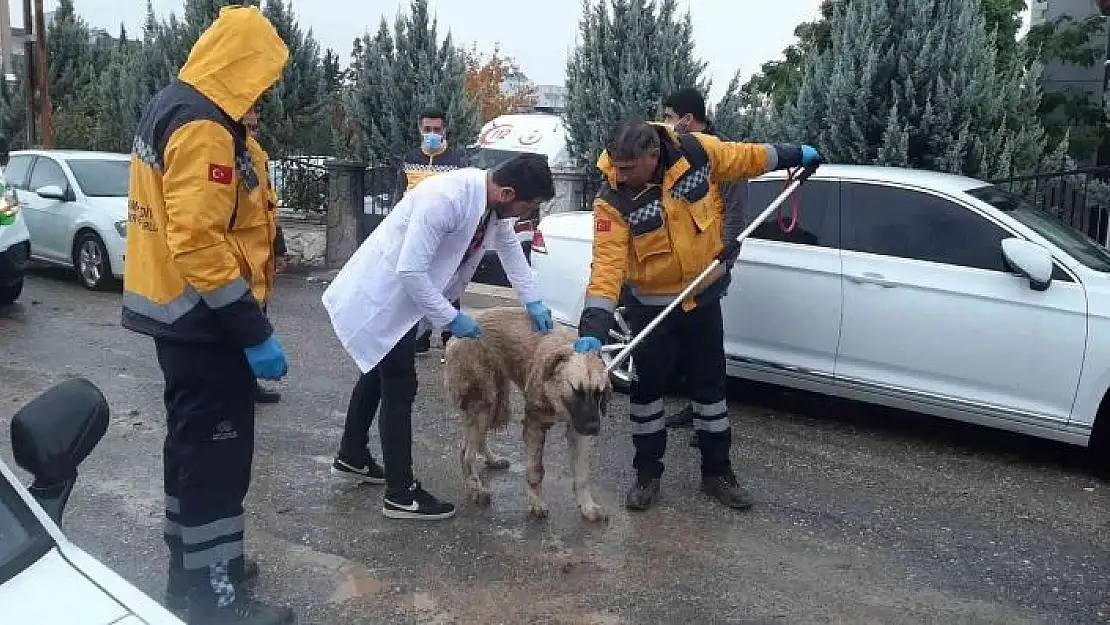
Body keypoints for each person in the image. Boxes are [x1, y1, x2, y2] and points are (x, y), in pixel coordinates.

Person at [122, 6, 292, 624]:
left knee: (192, 456)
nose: (265, 91)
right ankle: (215, 598)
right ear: (242, 65)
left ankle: (193, 569)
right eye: (263, 77)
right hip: (208, 327)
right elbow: (196, 240)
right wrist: (253, 330)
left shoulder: (177, 106)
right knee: (217, 467)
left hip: (186, 324)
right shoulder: (201, 127)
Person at [573, 118, 819, 512]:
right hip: (650, 307)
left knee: (711, 392)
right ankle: (647, 474)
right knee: (647, 395)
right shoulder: (612, 199)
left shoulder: (698, 153)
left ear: (653, 155)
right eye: (616, 166)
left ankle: (717, 472)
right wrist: (594, 328)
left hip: (702, 299)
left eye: (629, 167)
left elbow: (748, 158)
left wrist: (793, 154)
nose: (620, 174)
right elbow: (606, 267)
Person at [323, 153, 556, 521]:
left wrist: (533, 300)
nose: (524, 216)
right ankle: (401, 494)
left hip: (407, 301)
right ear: (507, 192)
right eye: (526, 207)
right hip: (385, 296)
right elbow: (411, 271)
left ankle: (351, 456)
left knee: (374, 372)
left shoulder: (493, 206)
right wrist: (452, 319)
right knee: (399, 386)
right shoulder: (445, 199)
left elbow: (510, 249)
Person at [661, 87, 747, 435]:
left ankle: (709, 422)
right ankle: (695, 407)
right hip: (682, 266)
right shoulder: (677, 154)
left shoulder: (720, 155)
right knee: (685, 344)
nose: (666, 123)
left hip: (710, 266)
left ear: (687, 119)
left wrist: (723, 257)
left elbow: (736, 212)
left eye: (669, 117)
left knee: (706, 347)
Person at [394, 109, 468, 356]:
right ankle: (419, 339)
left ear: (445, 130)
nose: (432, 134)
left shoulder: (456, 162)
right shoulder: (409, 158)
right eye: (428, 130)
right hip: (415, 235)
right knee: (416, 287)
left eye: (437, 130)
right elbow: (399, 197)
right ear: (420, 129)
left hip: (446, 238)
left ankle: (451, 342)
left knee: (449, 288)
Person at [243, 103, 285, 406]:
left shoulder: (259, 157)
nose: (253, 131)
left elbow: (269, 208)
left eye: (256, 125)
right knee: (241, 320)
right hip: (238, 259)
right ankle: (236, 385)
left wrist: (278, 249)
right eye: (248, 125)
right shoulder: (232, 155)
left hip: (259, 255)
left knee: (258, 316)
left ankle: (249, 383)